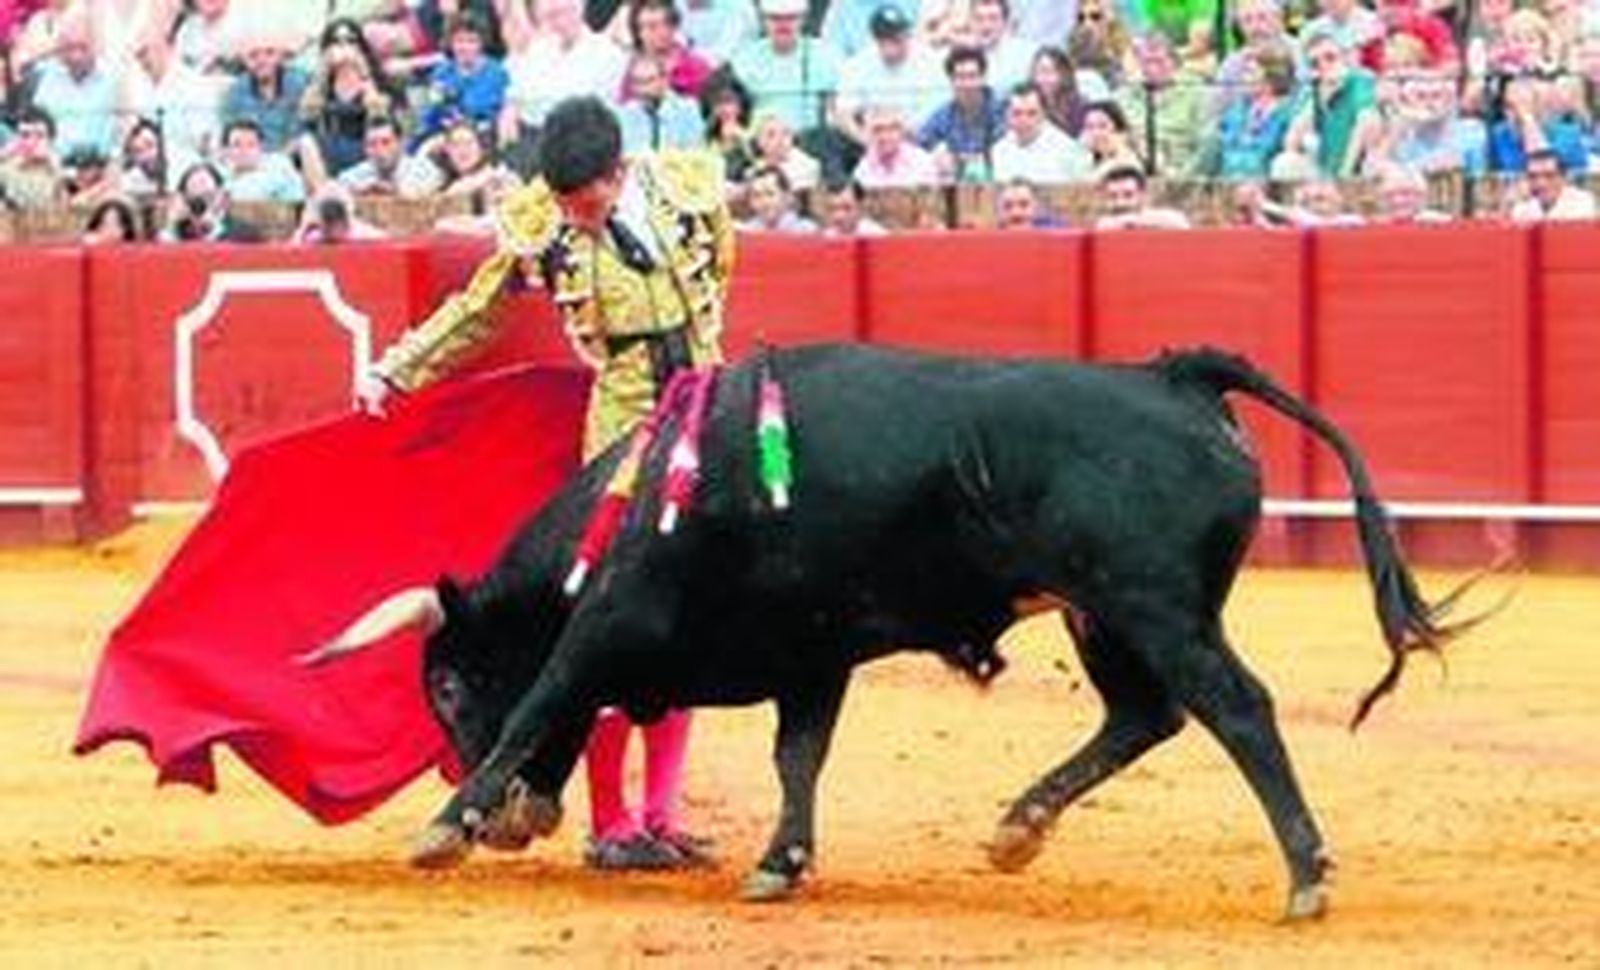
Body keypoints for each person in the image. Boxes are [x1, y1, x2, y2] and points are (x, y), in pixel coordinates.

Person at [357, 96, 731, 871]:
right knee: (612, 618)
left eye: (588, 205)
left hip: (705, 407)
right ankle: (611, 820)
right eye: (566, 207)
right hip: (622, 421)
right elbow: (477, 313)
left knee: (694, 610)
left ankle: (660, 811)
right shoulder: (545, 223)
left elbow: (719, 276)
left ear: (620, 173)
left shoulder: (689, 187)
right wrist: (397, 369)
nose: (578, 221)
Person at [1509, 146, 1597, 221]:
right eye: (1533, 176)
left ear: (1564, 178)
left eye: (1549, 176)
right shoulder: (1522, 208)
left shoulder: (1582, 202)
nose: (1541, 184)